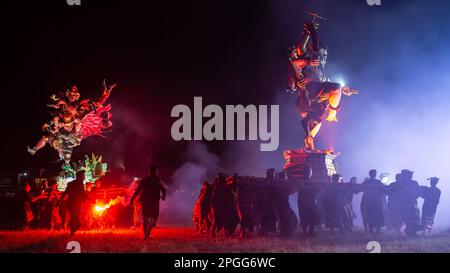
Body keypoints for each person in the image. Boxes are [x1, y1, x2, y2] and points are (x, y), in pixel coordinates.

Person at [129, 165, 167, 240]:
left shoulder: (157, 180)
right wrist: (132, 199)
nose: (155, 173)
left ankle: (147, 235)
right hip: (146, 201)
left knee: (154, 220)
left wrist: (164, 196)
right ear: (150, 172)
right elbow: (138, 190)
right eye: (154, 171)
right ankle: (146, 236)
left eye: (156, 172)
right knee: (146, 219)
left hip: (155, 202)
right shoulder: (145, 180)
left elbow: (164, 189)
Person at [57, 171, 90, 236]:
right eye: (83, 175)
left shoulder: (71, 183)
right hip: (76, 203)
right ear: (80, 176)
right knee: (76, 217)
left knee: (73, 217)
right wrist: (90, 199)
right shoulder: (80, 183)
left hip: (70, 203)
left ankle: (72, 231)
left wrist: (59, 201)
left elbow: (65, 192)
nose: (84, 177)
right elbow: (82, 193)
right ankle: (74, 229)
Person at [297, 166, 321, 236]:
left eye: (310, 172)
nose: (310, 173)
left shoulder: (310, 181)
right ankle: (306, 232)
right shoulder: (301, 181)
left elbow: (314, 191)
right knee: (305, 217)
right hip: (304, 201)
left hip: (310, 201)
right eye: (309, 172)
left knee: (312, 216)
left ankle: (310, 232)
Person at [361, 169, 386, 234]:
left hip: (370, 202)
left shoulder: (366, 183)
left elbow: (360, 188)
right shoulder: (378, 182)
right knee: (377, 215)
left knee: (371, 216)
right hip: (376, 202)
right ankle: (377, 230)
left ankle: (372, 229)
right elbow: (383, 190)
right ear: (375, 174)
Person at [398, 170, 421, 236]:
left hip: (412, 203)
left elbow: (418, 192)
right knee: (407, 218)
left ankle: (413, 230)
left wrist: (414, 197)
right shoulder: (401, 183)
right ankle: (410, 230)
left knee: (414, 217)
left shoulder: (414, 183)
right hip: (405, 203)